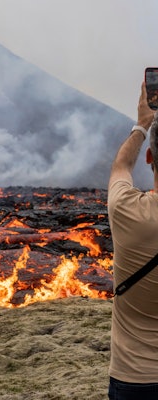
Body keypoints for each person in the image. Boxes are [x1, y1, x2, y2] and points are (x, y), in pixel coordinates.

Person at [108, 81, 158, 399]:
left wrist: (142, 125)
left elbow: (121, 166)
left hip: (134, 379)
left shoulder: (127, 210)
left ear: (150, 157)